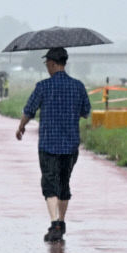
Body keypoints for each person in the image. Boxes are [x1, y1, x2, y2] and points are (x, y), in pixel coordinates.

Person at [15, 46, 91, 242]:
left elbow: (29, 110)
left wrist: (21, 127)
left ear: (52, 63)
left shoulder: (43, 86)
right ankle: (62, 221)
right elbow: (85, 111)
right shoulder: (78, 86)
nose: (47, 67)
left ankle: (55, 221)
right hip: (70, 144)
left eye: (47, 63)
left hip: (48, 144)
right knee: (64, 183)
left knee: (49, 183)